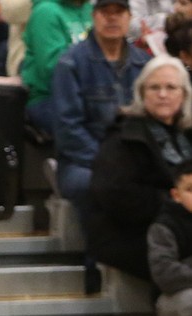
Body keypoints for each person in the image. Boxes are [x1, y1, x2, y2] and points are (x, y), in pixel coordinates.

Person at [52, 0, 152, 292]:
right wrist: (109, 163)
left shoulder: (144, 64)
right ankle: (94, 261)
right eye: (104, 13)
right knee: (93, 185)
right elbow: (68, 128)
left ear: (129, 18)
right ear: (93, 18)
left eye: (118, 13)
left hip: (132, 159)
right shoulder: (70, 62)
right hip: (81, 161)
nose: (112, 19)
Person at [89, 55, 192, 282]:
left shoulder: (188, 132)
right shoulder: (124, 136)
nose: (162, 94)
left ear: (184, 94)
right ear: (142, 93)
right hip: (138, 235)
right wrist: (174, 204)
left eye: (171, 87)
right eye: (154, 87)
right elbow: (115, 193)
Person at [148, 156, 192, 316]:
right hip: (173, 299)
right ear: (176, 194)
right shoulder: (164, 226)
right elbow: (165, 274)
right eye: (191, 190)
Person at [21, 0, 93, 136]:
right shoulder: (46, 12)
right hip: (50, 99)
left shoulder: (90, 10)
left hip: (90, 97)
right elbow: (53, 71)